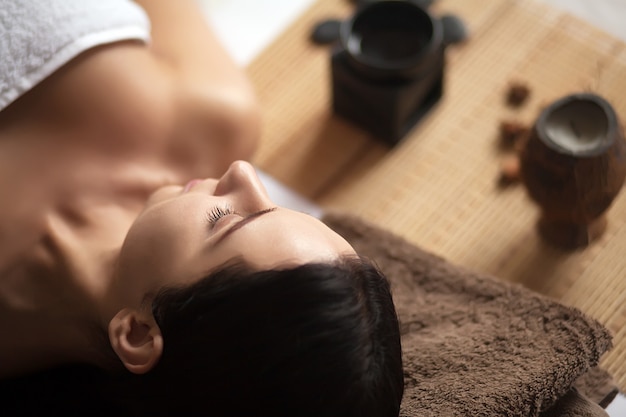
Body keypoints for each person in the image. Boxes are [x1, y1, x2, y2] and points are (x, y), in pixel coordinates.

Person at [0, 1, 404, 416]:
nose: (242, 173)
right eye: (278, 205)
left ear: (138, 332)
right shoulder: (214, 119)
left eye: (226, 220)